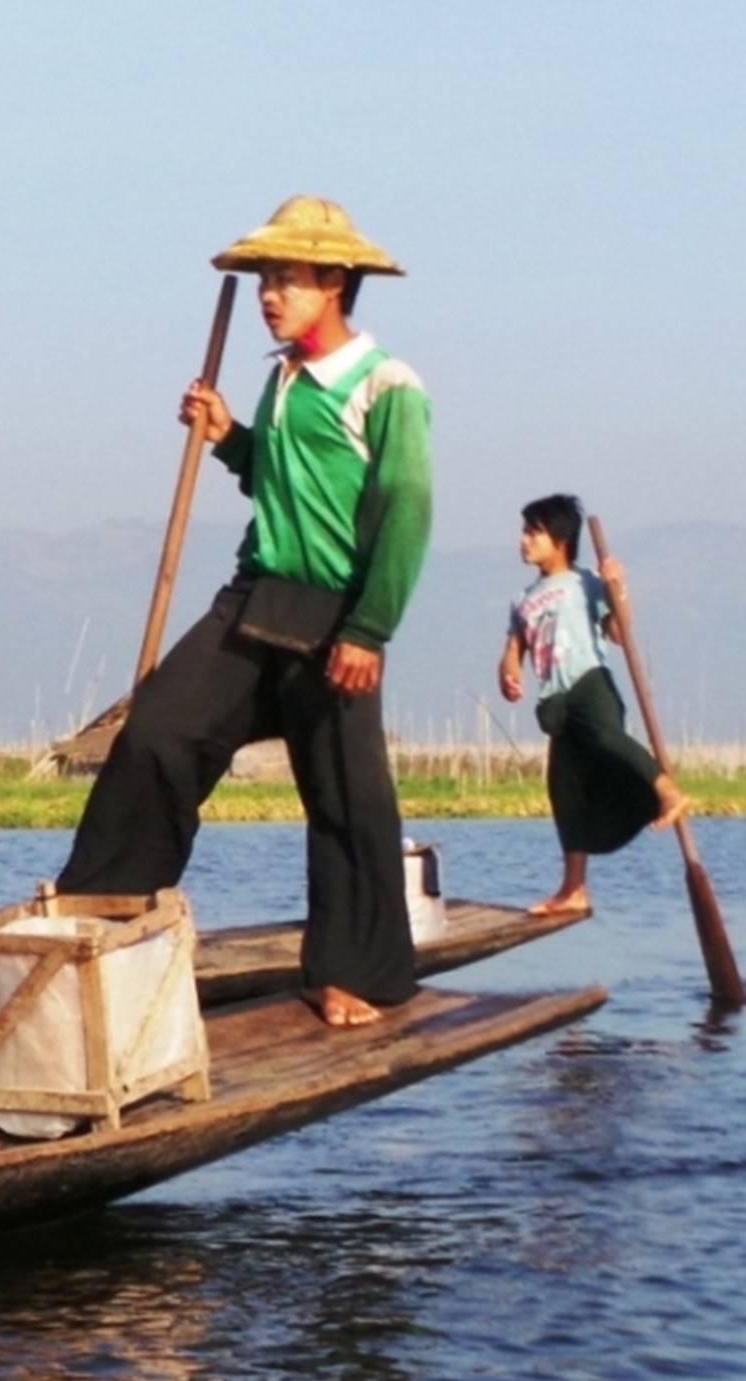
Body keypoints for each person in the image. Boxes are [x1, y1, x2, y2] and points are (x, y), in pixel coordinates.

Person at [57, 196, 432, 1028]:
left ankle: (351, 973)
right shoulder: (286, 376)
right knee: (157, 730)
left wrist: (368, 630)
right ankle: (102, 920)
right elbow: (281, 479)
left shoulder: (385, 383)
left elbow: (404, 510)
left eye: (287, 280)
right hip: (257, 596)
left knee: (344, 795)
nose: (269, 293)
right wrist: (230, 436)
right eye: (265, 278)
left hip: (337, 614)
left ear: (334, 282)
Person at [499, 494, 688, 915]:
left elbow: (619, 632)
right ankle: (574, 889)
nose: (523, 541)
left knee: (608, 737)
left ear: (560, 539)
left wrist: (618, 588)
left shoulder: (585, 583)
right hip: (557, 702)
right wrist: (510, 673)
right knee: (564, 792)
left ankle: (667, 791)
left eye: (533, 532)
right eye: (525, 531)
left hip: (590, 684)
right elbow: (513, 651)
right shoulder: (523, 600)